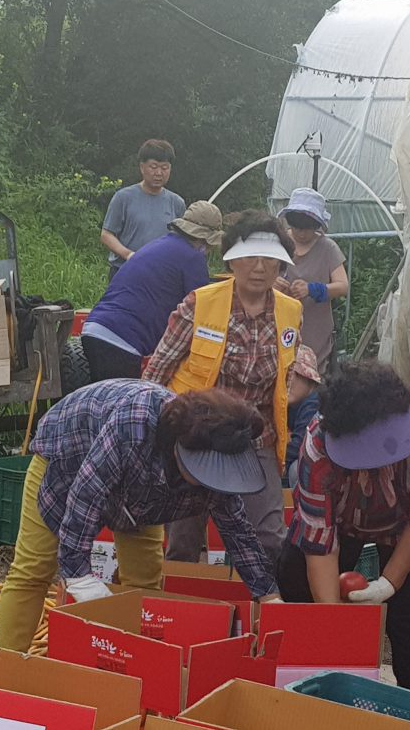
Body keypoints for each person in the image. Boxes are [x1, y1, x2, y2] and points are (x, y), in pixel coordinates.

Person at [0, 379, 282, 653]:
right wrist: (78, 574)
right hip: (70, 459)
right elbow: (85, 495)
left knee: (143, 584)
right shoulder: (134, 424)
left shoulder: (219, 455)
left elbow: (237, 529)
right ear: (179, 449)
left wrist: (267, 595)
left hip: (140, 496)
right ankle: (4, 673)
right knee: (33, 570)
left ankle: (130, 668)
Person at [276, 361, 410, 692]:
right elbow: (320, 543)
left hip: (408, 527)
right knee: (294, 575)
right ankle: (310, 677)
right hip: (344, 523)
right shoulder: (318, 447)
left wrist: (388, 583)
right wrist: (334, 623)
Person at [143, 209, 302, 567]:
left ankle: (258, 609)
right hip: (195, 433)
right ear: (232, 261)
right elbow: (156, 372)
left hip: (255, 436)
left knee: (267, 536)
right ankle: (182, 611)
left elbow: (287, 377)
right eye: (249, 258)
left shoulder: (291, 312)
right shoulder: (199, 304)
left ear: (281, 265)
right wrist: (151, 433)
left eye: (269, 259)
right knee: (184, 539)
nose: (259, 267)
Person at [82, 201, 223, 381]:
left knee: (104, 403)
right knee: (121, 406)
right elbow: (203, 308)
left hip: (96, 328)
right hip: (122, 339)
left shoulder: (159, 244)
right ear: (204, 240)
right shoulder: (192, 257)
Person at [275, 188, 348, 373]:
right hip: (279, 327)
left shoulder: (328, 248)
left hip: (315, 332)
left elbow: (342, 287)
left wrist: (313, 289)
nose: (301, 233)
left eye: (308, 228)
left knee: (310, 378)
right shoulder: (278, 244)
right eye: (297, 226)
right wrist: (272, 282)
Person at [101, 139, 185, 282]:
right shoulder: (123, 198)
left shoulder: (176, 202)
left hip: (161, 275)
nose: (159, 173)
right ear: (142, 167)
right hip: (125, 271)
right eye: (153, 167)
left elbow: (181, 241)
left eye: (164, 168)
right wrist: (129, 255)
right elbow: (106, 235)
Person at [283, 345, 320, 489]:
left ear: (308, 379)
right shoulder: (293, 406)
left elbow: (301, 443)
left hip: (326, 466)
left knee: (296, 470)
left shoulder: (314, 403)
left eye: (291, 374)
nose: (285, 382)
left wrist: (274, 464)